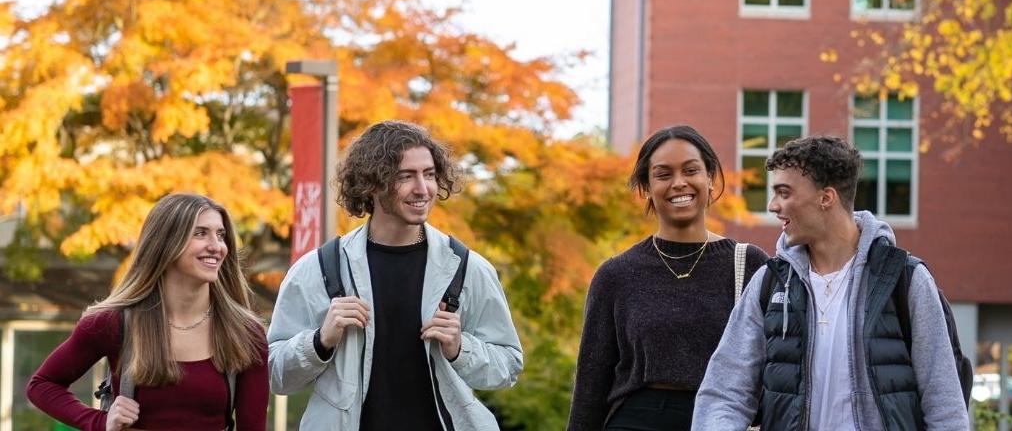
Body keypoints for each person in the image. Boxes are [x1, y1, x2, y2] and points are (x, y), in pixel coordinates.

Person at [694, 135, 971, 430]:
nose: (773, 205)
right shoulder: (770, 282)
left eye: (784, 193)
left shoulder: (904, 280)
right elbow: (724, 392)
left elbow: (945, 407)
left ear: (826, 198)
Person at [267, 120, 523, 430]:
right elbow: (275, 375)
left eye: (429, 174)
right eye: (406, 176)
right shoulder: (317, 270)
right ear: (371, 183)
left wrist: (460, 348)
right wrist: (320, 341)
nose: (423, 188)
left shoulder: (468, 268)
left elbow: (508, 366)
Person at [568, 124, 769, 430]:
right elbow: (590, 386)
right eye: (663, 174)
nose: (679, 183)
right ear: (647, 187)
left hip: (722, 420)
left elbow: (775, 368)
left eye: (691, 170)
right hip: (636, 419)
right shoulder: (616, 275)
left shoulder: (749, 264)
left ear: (710, 178)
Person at [27, 193, 269, 431]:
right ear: (165, 243)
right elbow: (42, 385)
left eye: (221, 235)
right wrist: (100, 421)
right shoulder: (114, 323)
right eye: (200, 233)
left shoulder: (246, 333)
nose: (217, 247)